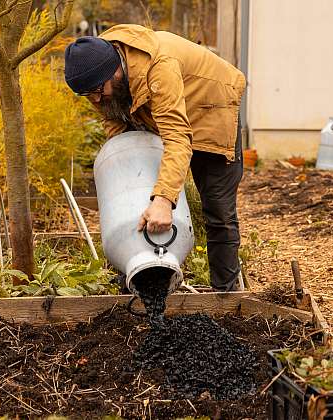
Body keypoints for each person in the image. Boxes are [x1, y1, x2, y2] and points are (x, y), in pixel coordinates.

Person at [64, 24, 246, 292]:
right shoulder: (99, 67)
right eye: (86, 95)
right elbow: (115, 121)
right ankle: (142, 273)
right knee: (142, 185)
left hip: (211, 109)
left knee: (218, 208)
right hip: (163, 116)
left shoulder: (158, 67)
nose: (94, 99)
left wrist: (163, 200)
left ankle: (226, 294)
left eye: (97, 91)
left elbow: (178, 137)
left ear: (115, 71)